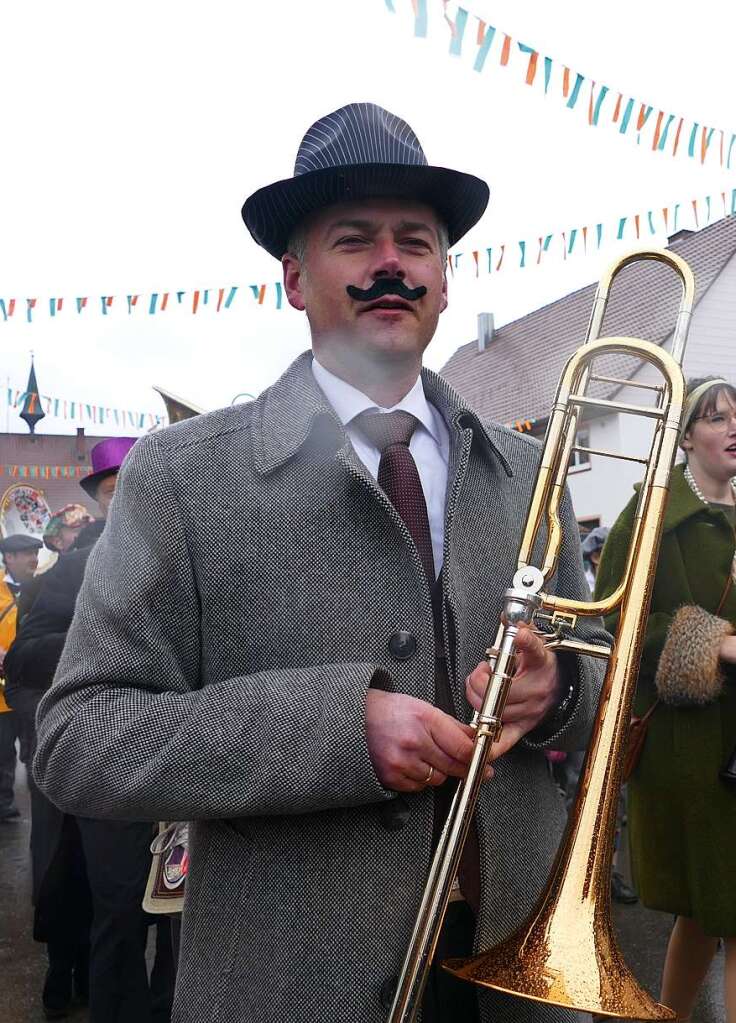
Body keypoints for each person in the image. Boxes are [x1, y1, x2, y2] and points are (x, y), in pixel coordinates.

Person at [34, 103, 607, 1023]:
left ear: (445, 280)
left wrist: (559, 691)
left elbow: (597, 664)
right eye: (354, 240)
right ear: (296, 280)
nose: (391, 263)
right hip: (291, 980)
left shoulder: (528, 468)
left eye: (415, 243)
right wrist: (339, 730)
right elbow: (81, 739)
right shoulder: (183, 476)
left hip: (517, 971)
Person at [595, 376, 736, 1023]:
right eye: (715, 417)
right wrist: (719, 644)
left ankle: (663, 1015)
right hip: (693, 757)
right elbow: (620, 620)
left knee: (705, 911)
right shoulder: (651, 516)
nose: (734, 428)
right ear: (685, 436)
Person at [6, 436, 174, 1022]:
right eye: (112, 488)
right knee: (120, 906)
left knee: (185, 913)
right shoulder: (73, 568)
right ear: (101, 500)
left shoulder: (191, 550)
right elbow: (22, 658)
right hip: (115, 763)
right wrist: (93, 644)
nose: (126, 496)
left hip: (190, 759)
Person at [0, 533, 43, 817]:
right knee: (2, 750)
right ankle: (3, 802)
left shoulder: (44, 589)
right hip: (1, 693)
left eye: (35, 551)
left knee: (32, 748)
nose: (33, 558)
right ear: (9, 558)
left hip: (29, 687)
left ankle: (41, 803)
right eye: (26, 552)